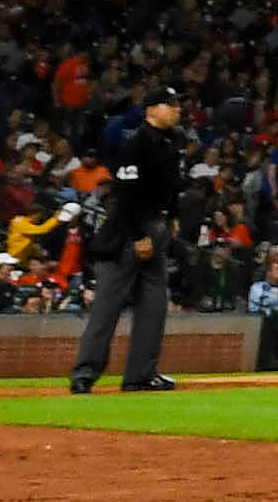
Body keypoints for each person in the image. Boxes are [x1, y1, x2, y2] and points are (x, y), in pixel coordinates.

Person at [64, 96, 191, 395]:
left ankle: (141, 375)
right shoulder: (136, 143)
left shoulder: (172, 141)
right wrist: (137, 236)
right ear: (151, 110)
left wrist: (172, 217)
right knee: (108, 304)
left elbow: (172, 185)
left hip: (157, 225)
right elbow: (126, 194)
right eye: (169, 104)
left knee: (154, 306)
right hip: (128, 229)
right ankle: (85, 373)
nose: (176, 109)